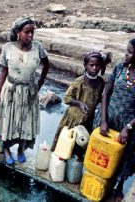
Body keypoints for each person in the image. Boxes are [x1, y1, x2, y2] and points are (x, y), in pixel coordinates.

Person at [0, 16, 50, 165]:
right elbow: (3, 71)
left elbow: (46, 65)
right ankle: (6, 149)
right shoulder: (8, 48)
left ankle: (20, 150)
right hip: (10, 91)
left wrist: (40, 83)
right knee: (8, 121)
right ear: (18, 32)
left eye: (32, 32)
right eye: (27, 32)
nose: (30, 35)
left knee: (25, 121)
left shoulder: (38, 47)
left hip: (29, 92)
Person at [94, 38, 135, 202]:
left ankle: (118, 188)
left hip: (128, 123)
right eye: (127, 50)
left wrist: (128, 128)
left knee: (124, 157)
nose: (126, 54)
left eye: (130, 52)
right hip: (109, 117)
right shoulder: (119, 69)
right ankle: (98, 182)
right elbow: (106, 94)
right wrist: (103, 120)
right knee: (102, 153)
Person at [50, 51, 111, 157]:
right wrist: (79, 103)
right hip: (74, 119)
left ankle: (75, 163)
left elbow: (99, 97)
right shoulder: (80, 82)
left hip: (87, 119)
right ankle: (60, 162)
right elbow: (66, 98)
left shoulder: (100, 82)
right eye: (91, 65)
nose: (94, 68)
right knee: (67, 143)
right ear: (85, 66)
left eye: (97, 65)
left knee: (82, 143)